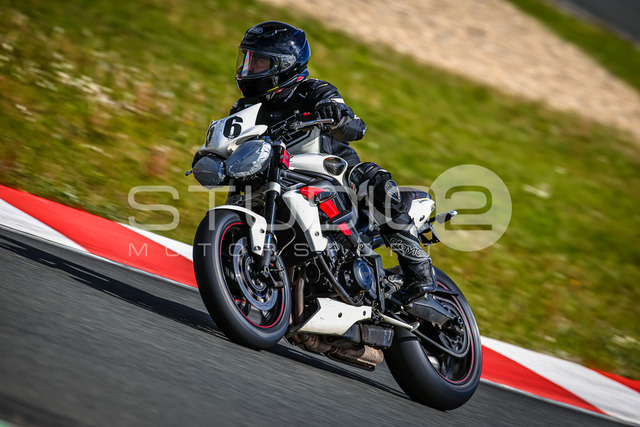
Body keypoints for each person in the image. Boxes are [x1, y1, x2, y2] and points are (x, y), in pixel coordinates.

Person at [225, 21, 435, 303]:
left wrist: (337, 115)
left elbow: (353, 125)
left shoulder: (313, 90)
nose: (249, 68)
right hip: (277, 175)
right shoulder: (244, 108)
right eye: (248, 60)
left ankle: (419, 274)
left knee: (375, 181)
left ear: (284, 65)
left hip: (334, 174)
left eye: (259, 62)